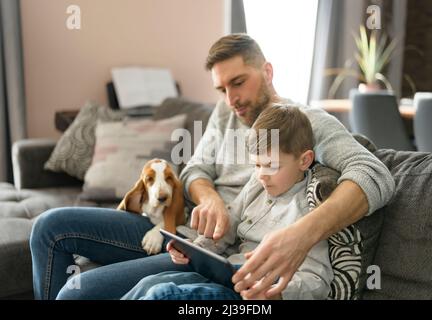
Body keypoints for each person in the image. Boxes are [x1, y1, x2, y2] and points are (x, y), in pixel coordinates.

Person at [29, 33, 394, 300]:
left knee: (78, 294)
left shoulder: (305, 124)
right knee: (50, 227)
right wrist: (210, 199)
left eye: (238, 83)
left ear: (267, 71)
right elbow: (195, 171)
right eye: (221, 89)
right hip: (184, 231)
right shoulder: (225, 112)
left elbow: (374, 174)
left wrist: (300, 237)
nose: (231, 99)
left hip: (218, 253)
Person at [121, 105, 334, 300]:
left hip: (253, 294)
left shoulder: (309, 212)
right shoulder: (257, 184)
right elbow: (228, 226)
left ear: (304, 160)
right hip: (227, 275)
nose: (262, 175)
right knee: (149, 283)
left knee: (162, 294)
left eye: (271, 166)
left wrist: (276, 294)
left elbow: (317, 281)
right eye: (257, 165)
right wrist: (194, 250)